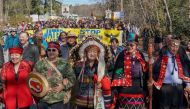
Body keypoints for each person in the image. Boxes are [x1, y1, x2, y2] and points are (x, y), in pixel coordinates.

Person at [73, 36, 112, 109]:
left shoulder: (102, 66)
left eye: (94, 52)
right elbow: (73, 78)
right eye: (90, 52)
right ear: (86, 53)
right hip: (82, 97)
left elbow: (106, 78)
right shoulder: (79, 65)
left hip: (97, 97)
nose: (92, 54)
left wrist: (102, 83)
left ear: (98, 54)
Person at [34, 42, 76, 109]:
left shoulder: (64, 63)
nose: (51, 52)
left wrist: (63, 86)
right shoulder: (40, 63)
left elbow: (72, 79)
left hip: (59, 99)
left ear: (58, 51)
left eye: (54, 50)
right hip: (43, 99)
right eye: (49, 50)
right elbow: (35, 78)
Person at [111, 32, 148, 109]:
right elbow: (117, 71)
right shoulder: (122, 55)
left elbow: (145, 72)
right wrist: (116, 88)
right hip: (124, 89)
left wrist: (145, 89)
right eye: (128, 45)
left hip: (138, 89)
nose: (129, 47)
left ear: (136, 45)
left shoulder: (140, 55)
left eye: (132, 45)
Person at [152, 36, 190, 109]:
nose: (174, 48)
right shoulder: (162, 57)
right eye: (172, 46)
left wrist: (188, 85)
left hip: (179, 89)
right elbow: (154, 71)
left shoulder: (181, 58)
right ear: (168, 46)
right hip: (165, 88)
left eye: (177, 47)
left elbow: (185, 71)